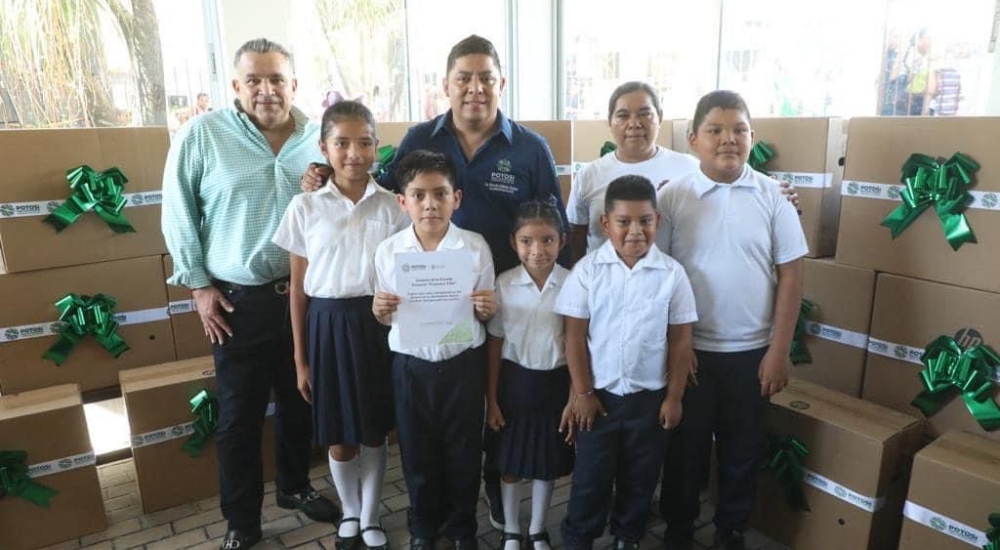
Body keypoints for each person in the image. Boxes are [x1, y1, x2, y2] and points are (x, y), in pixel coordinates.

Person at [303, 34, 568, 529]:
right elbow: (372, 181)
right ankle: (434, 516)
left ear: (501, 83)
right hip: (428, 316)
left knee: (498, 409)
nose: (475, 88)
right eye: (463, 78)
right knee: (437, 430)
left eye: (485, 77)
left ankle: (492, 496)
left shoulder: (531, 149)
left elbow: (556, 224)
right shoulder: (421, 139)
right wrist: (323, 174)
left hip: (502, 300)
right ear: (446, 85)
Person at [161, 37, 341, 550]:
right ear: (236, 86)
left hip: (306, 296)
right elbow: (177, 212)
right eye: (254, 81)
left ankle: (295, 487)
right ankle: (242, 520)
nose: (267, 90)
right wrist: (198, 285)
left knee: (299, 401)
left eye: (277, 79)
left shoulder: (317, 137)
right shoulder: (203, 135)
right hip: (237, 302)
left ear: (294, 84)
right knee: (239, 420)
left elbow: (343, 195)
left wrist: (325, 182)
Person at [657, 90, 808, 550]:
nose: (728, 139)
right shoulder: (673, 199)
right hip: (692, 352)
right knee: (686, 449)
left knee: (743, 451)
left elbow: (792, 276)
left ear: (752, 137)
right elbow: (658, 280)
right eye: (715, 130)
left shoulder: (771, 196)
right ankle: (679, 529)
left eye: (739, 129)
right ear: (693, 139)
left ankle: (731, 530)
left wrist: (778, 350)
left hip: (752, 354)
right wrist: (673, 349)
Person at [272, 100, 408, 550]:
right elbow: (297, 287)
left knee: (372, 429)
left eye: (365, 142)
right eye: (342, 143)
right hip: (326, 327)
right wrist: (300, 358)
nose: (354, 153)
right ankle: (349, 510)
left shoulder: (393, 207)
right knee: (338, 434)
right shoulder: (305, 206)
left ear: (377, 146)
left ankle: (371, 517)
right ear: (324, 148)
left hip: (378, 325)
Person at [556, 175, 697, 550]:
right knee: (590, 479)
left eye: (645, 221)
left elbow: (681, 340)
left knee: (641, 478)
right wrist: (582, 392)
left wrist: (674, 397)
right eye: (624, 221)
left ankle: (628, 537)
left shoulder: (672, 274)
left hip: (648, 401)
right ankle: (579, 537)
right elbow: (574, 337)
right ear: (605, 224)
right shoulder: (588, 271)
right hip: (597, 399)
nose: (636, 231)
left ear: (657, 221)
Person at [372, 150, 498, 550]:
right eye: (419, 194)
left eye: (440, 194)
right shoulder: (389, 252)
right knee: (418, 452)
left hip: (462, 365)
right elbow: (387, 317)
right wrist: (379, 311)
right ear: (402, 201)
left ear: (456, 198)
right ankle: (423, 527)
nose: (430, 204)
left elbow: (486, 314)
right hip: (411, 366)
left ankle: (463, 528)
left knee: (463, 452)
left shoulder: (475, 247)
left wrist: (486, 309)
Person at [486, 201, 575, 550]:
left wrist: (574, 396)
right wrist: (490, 399)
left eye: (547, 240)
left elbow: (576, 344)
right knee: (509, 461)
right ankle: (511, 528)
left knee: (546, 461)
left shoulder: (572, 283)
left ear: (562, 241)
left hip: (555, 383)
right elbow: (495, 342)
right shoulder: (503, 284)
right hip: (513, 384)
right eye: (527, 241)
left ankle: (537, 527)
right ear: (513, 242)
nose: (537, 250)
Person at [567, 81, 698, 262]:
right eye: (623, 115)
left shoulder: (689, 169)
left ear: (659, 118)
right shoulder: (589, 175)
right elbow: (576, 242)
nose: (634, 123)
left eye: (645, 114)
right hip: (602, 286)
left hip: (667, 285)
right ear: (610, 122)